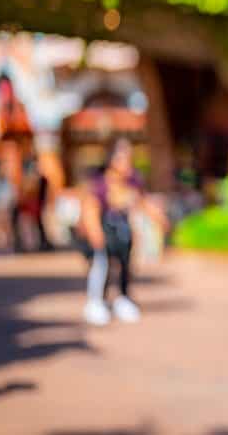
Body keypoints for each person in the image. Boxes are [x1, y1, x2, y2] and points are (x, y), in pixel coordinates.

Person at [74, 140, 148, 326]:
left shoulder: (131, 183)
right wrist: (96, 234)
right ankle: (96, 302)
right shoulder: (100, 185)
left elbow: (141, 203)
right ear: (113, 161)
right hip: (102, 233)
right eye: (125, 159)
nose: (128, 164)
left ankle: (123, 298)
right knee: (102, 267)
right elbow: (90, 210)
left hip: (121, 235)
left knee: (125, 266)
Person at [0, 161, 17, 252]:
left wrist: (6, 207)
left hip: (5, 208)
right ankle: (0, 245)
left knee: (6, 228)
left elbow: (11, 196)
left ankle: (9, 246)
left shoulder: (6, 183)